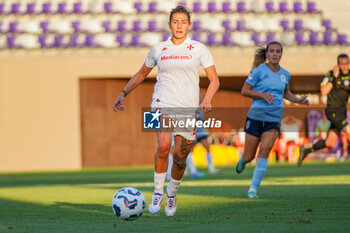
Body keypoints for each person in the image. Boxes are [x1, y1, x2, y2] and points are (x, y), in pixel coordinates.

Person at [112, 6, 219, 216]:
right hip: (160, 103)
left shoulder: (199, 48)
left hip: (188, 109)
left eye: (183, 22)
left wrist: (207, 99)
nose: (179, 26)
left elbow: (214, 79)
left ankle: (172, 193)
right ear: (169, 24)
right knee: (163, 145)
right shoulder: (158, 49)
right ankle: (158, 192)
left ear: (189, 25)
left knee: (180, 157)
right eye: (175, 22)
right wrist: (123, 93)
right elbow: (142, 74)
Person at [235, 41, 309, 199]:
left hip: (274, 119)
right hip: (255, 117)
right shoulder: (258, 71)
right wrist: (262, 95)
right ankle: (243, 160)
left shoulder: (285, 74)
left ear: (281, 54)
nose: (275, 54)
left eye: (278, 51)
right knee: (249, 156)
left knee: (265, 149)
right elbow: (244, 91)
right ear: (267, 54)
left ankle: (253, 189)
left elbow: (285, 92)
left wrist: (298, 100)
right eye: (272, 51)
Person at [298, 54, 350, 166]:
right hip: (333, 111)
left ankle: (306, 150)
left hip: (342, 112)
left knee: (330, 142)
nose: (344, 67)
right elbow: (323, 91)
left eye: (347, 64)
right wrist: (334, 78)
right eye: (342, 64)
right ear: (338, 65)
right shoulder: (330, 74)